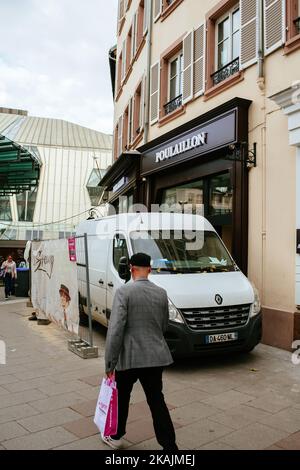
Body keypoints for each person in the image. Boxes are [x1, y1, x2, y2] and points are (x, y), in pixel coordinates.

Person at [103, 253, 178, 451]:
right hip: (155, 357)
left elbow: (116, 329)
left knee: (122, 397)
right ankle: (170, 446)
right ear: (150, 270)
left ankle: (117, 436)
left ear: (131, 268)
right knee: (156, 400)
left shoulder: (124, 292)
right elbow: (164, 324)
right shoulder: (161, 293)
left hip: (129, 357)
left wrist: (110, 363)